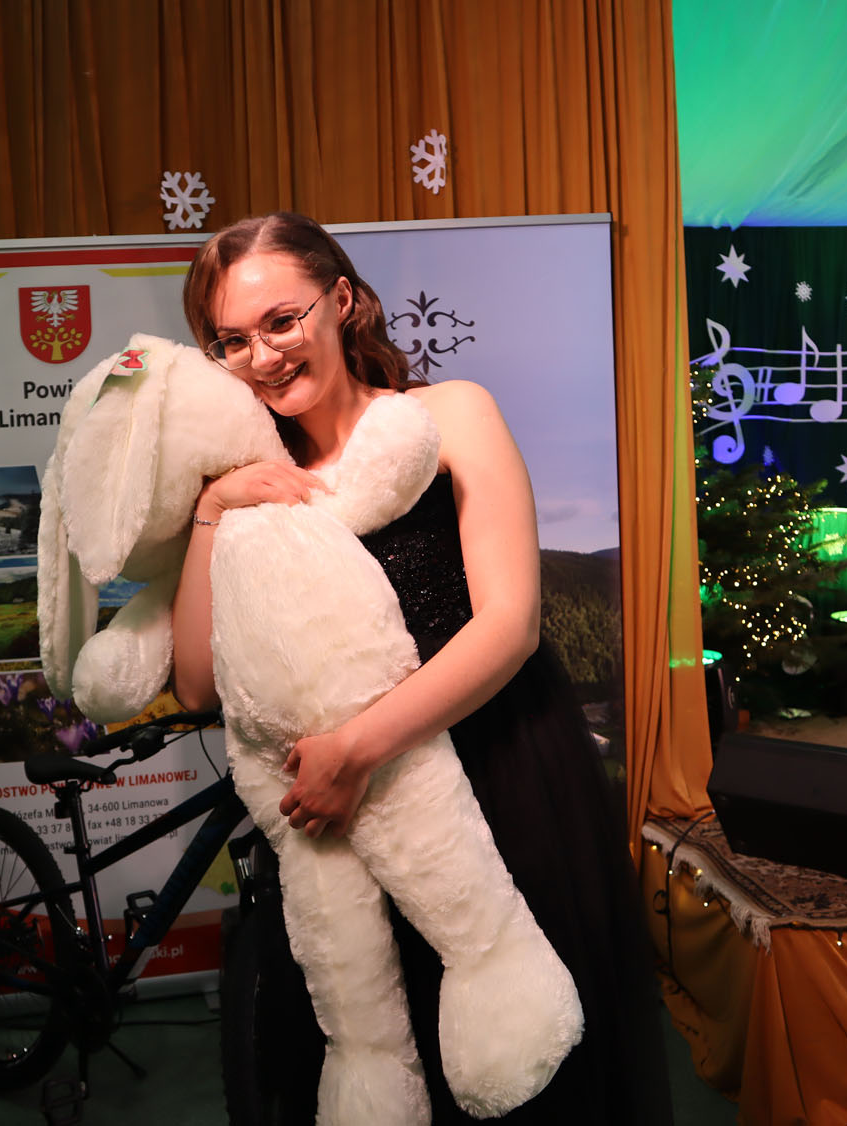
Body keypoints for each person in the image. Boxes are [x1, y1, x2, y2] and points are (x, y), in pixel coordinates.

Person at [171, 212, 672, 1123]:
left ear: (341, 300)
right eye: (231, 341)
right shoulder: (246, 476)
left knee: (515, 1069)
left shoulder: (450, 414)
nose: (262, 357)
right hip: (335, 822)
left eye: (281, 321)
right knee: (373, 1060)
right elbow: (198, 685)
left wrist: (356, 749)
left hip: (490, 777)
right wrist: (214, 508)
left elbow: (510, 625)